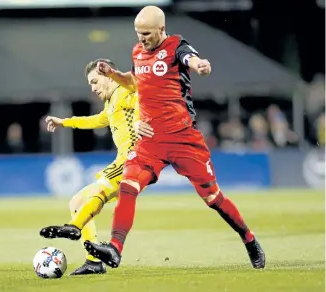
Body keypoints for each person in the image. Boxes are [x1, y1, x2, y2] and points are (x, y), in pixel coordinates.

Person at [82, 6, 266, 269]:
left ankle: (249, 239)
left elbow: (189, 58)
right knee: (128, 186)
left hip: (183, 139)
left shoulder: (175, 45)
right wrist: (113, 75)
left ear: (161, 29)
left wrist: (199, 64)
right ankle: (115, 248)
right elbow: (135, 82)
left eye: (146, 33)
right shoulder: (137, 52)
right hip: (150, 141)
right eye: (138, 33)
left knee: (213, 198)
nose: (141, 38)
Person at [39, 58, 139, 275]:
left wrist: (146, 121)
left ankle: (74, 226)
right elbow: (94, 120)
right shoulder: (112, 102)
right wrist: (64, 122)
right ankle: (93, 261)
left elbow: (144, 98)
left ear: (107, 76)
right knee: (76, 201)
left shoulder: (124, 92)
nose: (93, 88)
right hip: (125, 161)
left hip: (134, 159)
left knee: (96, 191)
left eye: (95, 82)